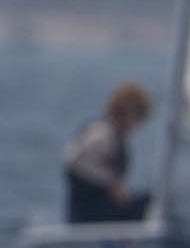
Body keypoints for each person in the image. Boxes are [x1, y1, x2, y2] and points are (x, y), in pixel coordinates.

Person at [63, 82, 152, 223]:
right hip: (90, 214)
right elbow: (76, 161)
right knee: (150, 203)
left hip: (98, 210)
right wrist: (111, 183)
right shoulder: (103, 134)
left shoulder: (114, 136)